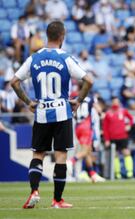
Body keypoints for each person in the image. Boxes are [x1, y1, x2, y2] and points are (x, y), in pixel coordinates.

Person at [10, 21, 93, 208]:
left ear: (47, 36)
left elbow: (14, 82)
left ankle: (34, 191)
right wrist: (78, 100)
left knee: (38, 154)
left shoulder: (34, 58)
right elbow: (88, 80)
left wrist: (29, 102)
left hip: (41, 114)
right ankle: (57, 200)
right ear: (62, 36)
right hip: (62, 113)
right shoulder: (65, 57)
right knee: (61, 156)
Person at [68, 93, 105, 183]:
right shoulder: (91, 98)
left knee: (88, 151)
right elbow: (99, 110)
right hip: (86, 126)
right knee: (85, 151)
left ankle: (92, 174)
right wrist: (102, 114)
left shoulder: (75, 98)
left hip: (77, 126)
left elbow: (73, 112)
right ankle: (71, 161)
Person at [103, 97, 134, 179]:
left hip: (123, 136)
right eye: (114, 101)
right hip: (113, 138)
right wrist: (106, 139)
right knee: (115, 155)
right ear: (112, 103)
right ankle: (117, 174)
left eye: (117, 101)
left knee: (126, 153)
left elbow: (131, 119)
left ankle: (129, 173)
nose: (116, 103)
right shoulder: (108, 113)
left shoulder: (123, 110)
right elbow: (105, 127)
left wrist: (129, 125)